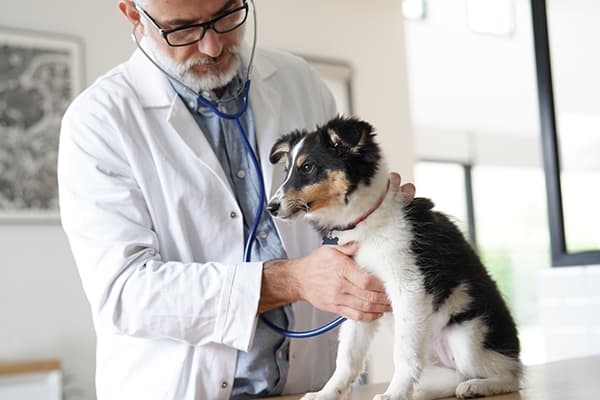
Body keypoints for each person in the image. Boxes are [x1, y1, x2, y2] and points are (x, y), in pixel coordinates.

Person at [58, 0, 412, 399]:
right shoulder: (100, 121)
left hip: (307, 385)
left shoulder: (298, 82)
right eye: (183, 29)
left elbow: (329, 228)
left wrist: (367, 215)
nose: (212, 46)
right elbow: (124, 293)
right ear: (134, 15)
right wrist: (290, 280)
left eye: (227, 15)